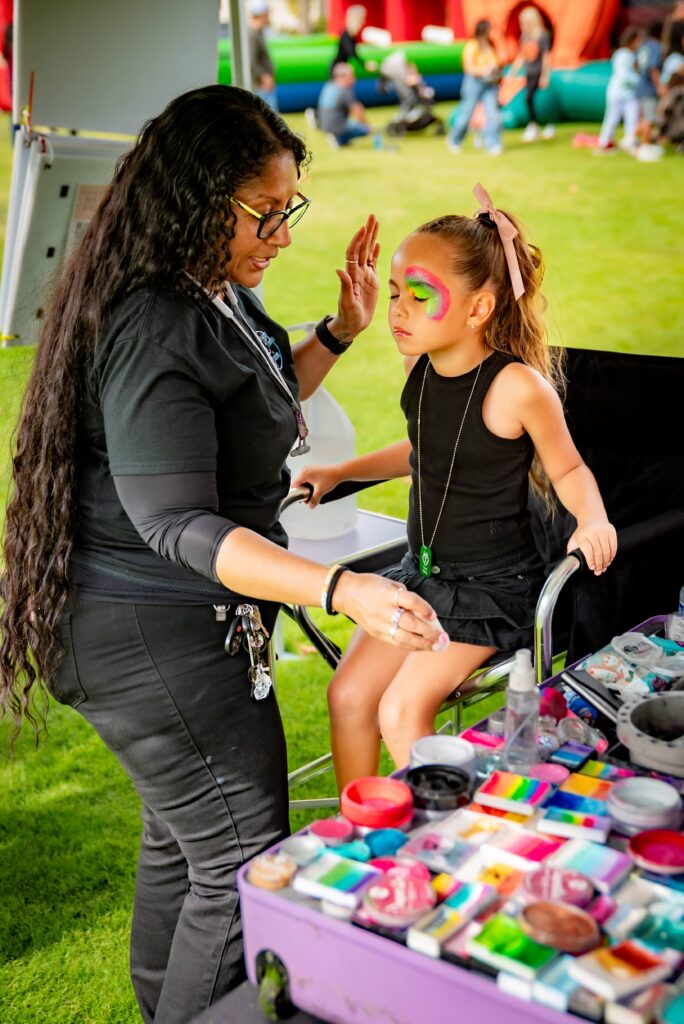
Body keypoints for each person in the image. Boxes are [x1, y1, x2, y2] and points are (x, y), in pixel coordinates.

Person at [0, 86, 447, 1024]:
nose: (281, 232)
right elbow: (179, 525)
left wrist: (335, 333)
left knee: (183, 841)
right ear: (200, 199)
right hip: (147, 631)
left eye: (289, 208)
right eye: (265, 212)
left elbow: (247, 401)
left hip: (156, 622)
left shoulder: (207, 287)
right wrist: (339, 589)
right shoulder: (154, 319)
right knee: (240, 850)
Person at [294, 183, 617, 792]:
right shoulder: (420, 371)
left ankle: (441, 842)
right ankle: (364, 830)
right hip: (424, 577)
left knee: (400, 709)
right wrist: (342, 472)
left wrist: (593, 521)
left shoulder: (516, 387)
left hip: (494, 593)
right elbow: (427, 454)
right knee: (349, 695)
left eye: (419, 296)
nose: (397, 310)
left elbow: (569, 470)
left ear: (478, 310)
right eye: (394, 294)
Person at [447, 20, 504, 156]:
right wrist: (484, 70)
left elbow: (497, 62)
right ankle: (455, 139)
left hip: (490, 84)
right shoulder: (472, 45)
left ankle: (493, 143)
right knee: (466, 114)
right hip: (475, 82)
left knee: (493, 114)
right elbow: (468, 67)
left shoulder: (491, 45)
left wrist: (495, 72)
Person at [509, 6, 554, 142]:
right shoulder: (526, 37)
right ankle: (534, 125)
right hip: (529, 72)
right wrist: (513, 72)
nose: (523, 25)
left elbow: (546, 57)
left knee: (530, 98)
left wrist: (545, 75)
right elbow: (522, 56)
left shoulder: (542, 36)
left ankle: (537, 125)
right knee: (528, 99)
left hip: (538, 72)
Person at [597, 26, 644, 152]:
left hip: (629, 94)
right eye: (638, 40)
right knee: (612, 118)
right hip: (617, 93)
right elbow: (623, 75)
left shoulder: (633, 55)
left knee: (632, 117)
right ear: (632, 40)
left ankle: (631, 141)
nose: (639, 44)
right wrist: (638, 79)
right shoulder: (622, 54)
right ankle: (604, 142)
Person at [317, 62, 371, 148]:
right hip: (337, 126)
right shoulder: (345, 90)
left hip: (325, 125)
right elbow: (357, 112)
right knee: (364, 129)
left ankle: (340, 139)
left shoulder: (329, 85)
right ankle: (339, 139)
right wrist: (369, 127)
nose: (354, 79)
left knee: (351, 123)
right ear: (343, 76)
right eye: (352, 76)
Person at [248, 0, 278, 111]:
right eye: (267, 13)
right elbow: (252, 61)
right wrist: (264, 77)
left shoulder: (259, 32)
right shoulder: (251, 34)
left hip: (264, 86)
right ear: (262, 14)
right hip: (260, 87)